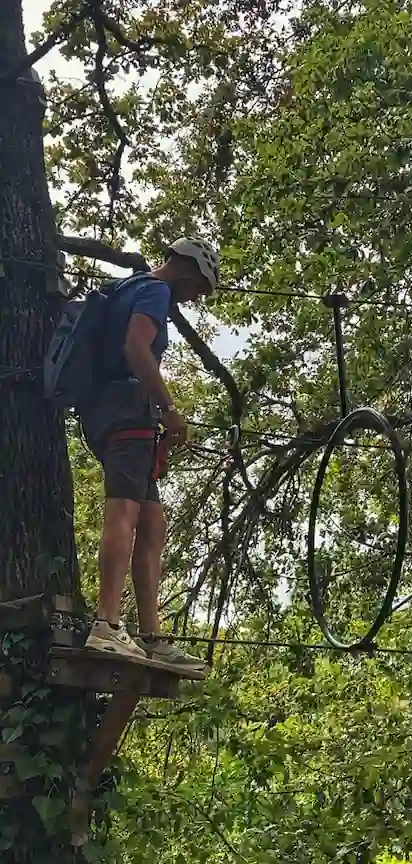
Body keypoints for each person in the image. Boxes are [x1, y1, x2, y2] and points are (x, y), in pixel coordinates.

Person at [79, 238, 220, 668]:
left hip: (112, 413)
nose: (195, 297)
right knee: (123, 513)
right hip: (127, 412)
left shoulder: (130, 287)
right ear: (186, 268)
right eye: (199, 286)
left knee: (153, 523)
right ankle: (107, 624)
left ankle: (151, 636)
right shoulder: (156, 291)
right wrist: (170, 409)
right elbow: (136, 349)